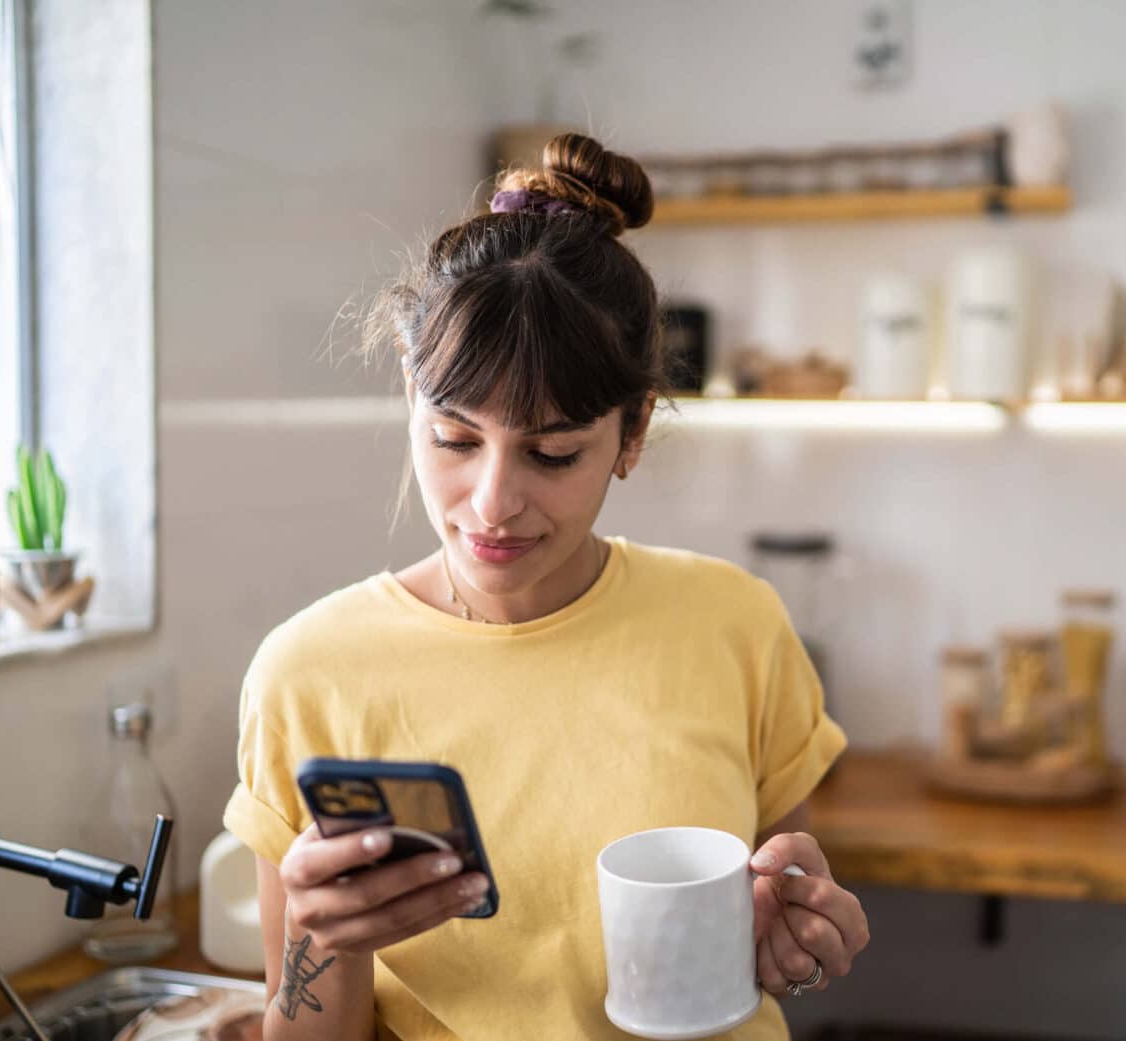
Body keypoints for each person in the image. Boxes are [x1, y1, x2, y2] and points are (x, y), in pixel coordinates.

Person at [223, 133, 869, 1041]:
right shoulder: (308, 672)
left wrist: (795, 937)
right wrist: (327, 943)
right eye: (454, 438)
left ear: (633, 430)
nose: (492, 503)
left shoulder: (736, 624)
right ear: (410, 393)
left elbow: (779, 906)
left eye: (553, 451)